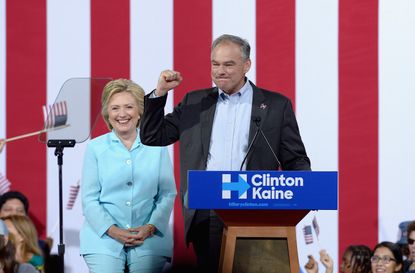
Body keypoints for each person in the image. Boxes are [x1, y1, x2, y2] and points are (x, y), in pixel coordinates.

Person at [140, 34, 311, 272]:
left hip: (256, 209)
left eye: (229, 64)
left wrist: (304, 193)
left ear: (246, 65)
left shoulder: (275, 105)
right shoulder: (195, 101)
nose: (220, 71)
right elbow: (152, 136)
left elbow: (295, 159)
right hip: (207, 208)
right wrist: (159, 93)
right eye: (215, 64)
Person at [80, 79, 176, 273]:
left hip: (149, 237)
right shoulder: (95, 148)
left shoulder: (157, 146)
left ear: (140, 111)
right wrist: (113, 230)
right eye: (115, 108)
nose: (122, 114)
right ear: (107, 113)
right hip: (103, 237)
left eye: (128, 107)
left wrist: (149, 227)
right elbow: (89, 199)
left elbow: (167, 194)